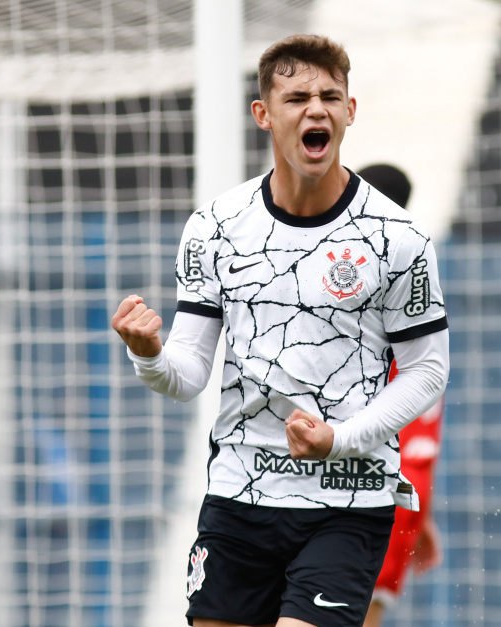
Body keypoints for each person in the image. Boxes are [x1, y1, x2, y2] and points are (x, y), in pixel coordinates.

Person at [111, 35, 449, 627]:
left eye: (329, 96)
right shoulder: (215, 227)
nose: (315, 108)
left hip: (347, 496)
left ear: (349, 111)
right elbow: (187, 374)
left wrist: (339, 439)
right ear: (264, 114)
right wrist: (150, 356)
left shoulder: (398, 238)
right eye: (297, 97)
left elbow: (427, 369)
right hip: (238, 495)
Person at [355, 165, 444, 627]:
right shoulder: (418, 284)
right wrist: (420, 508)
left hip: (360, 488)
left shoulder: (352, 284)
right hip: (403, 488)